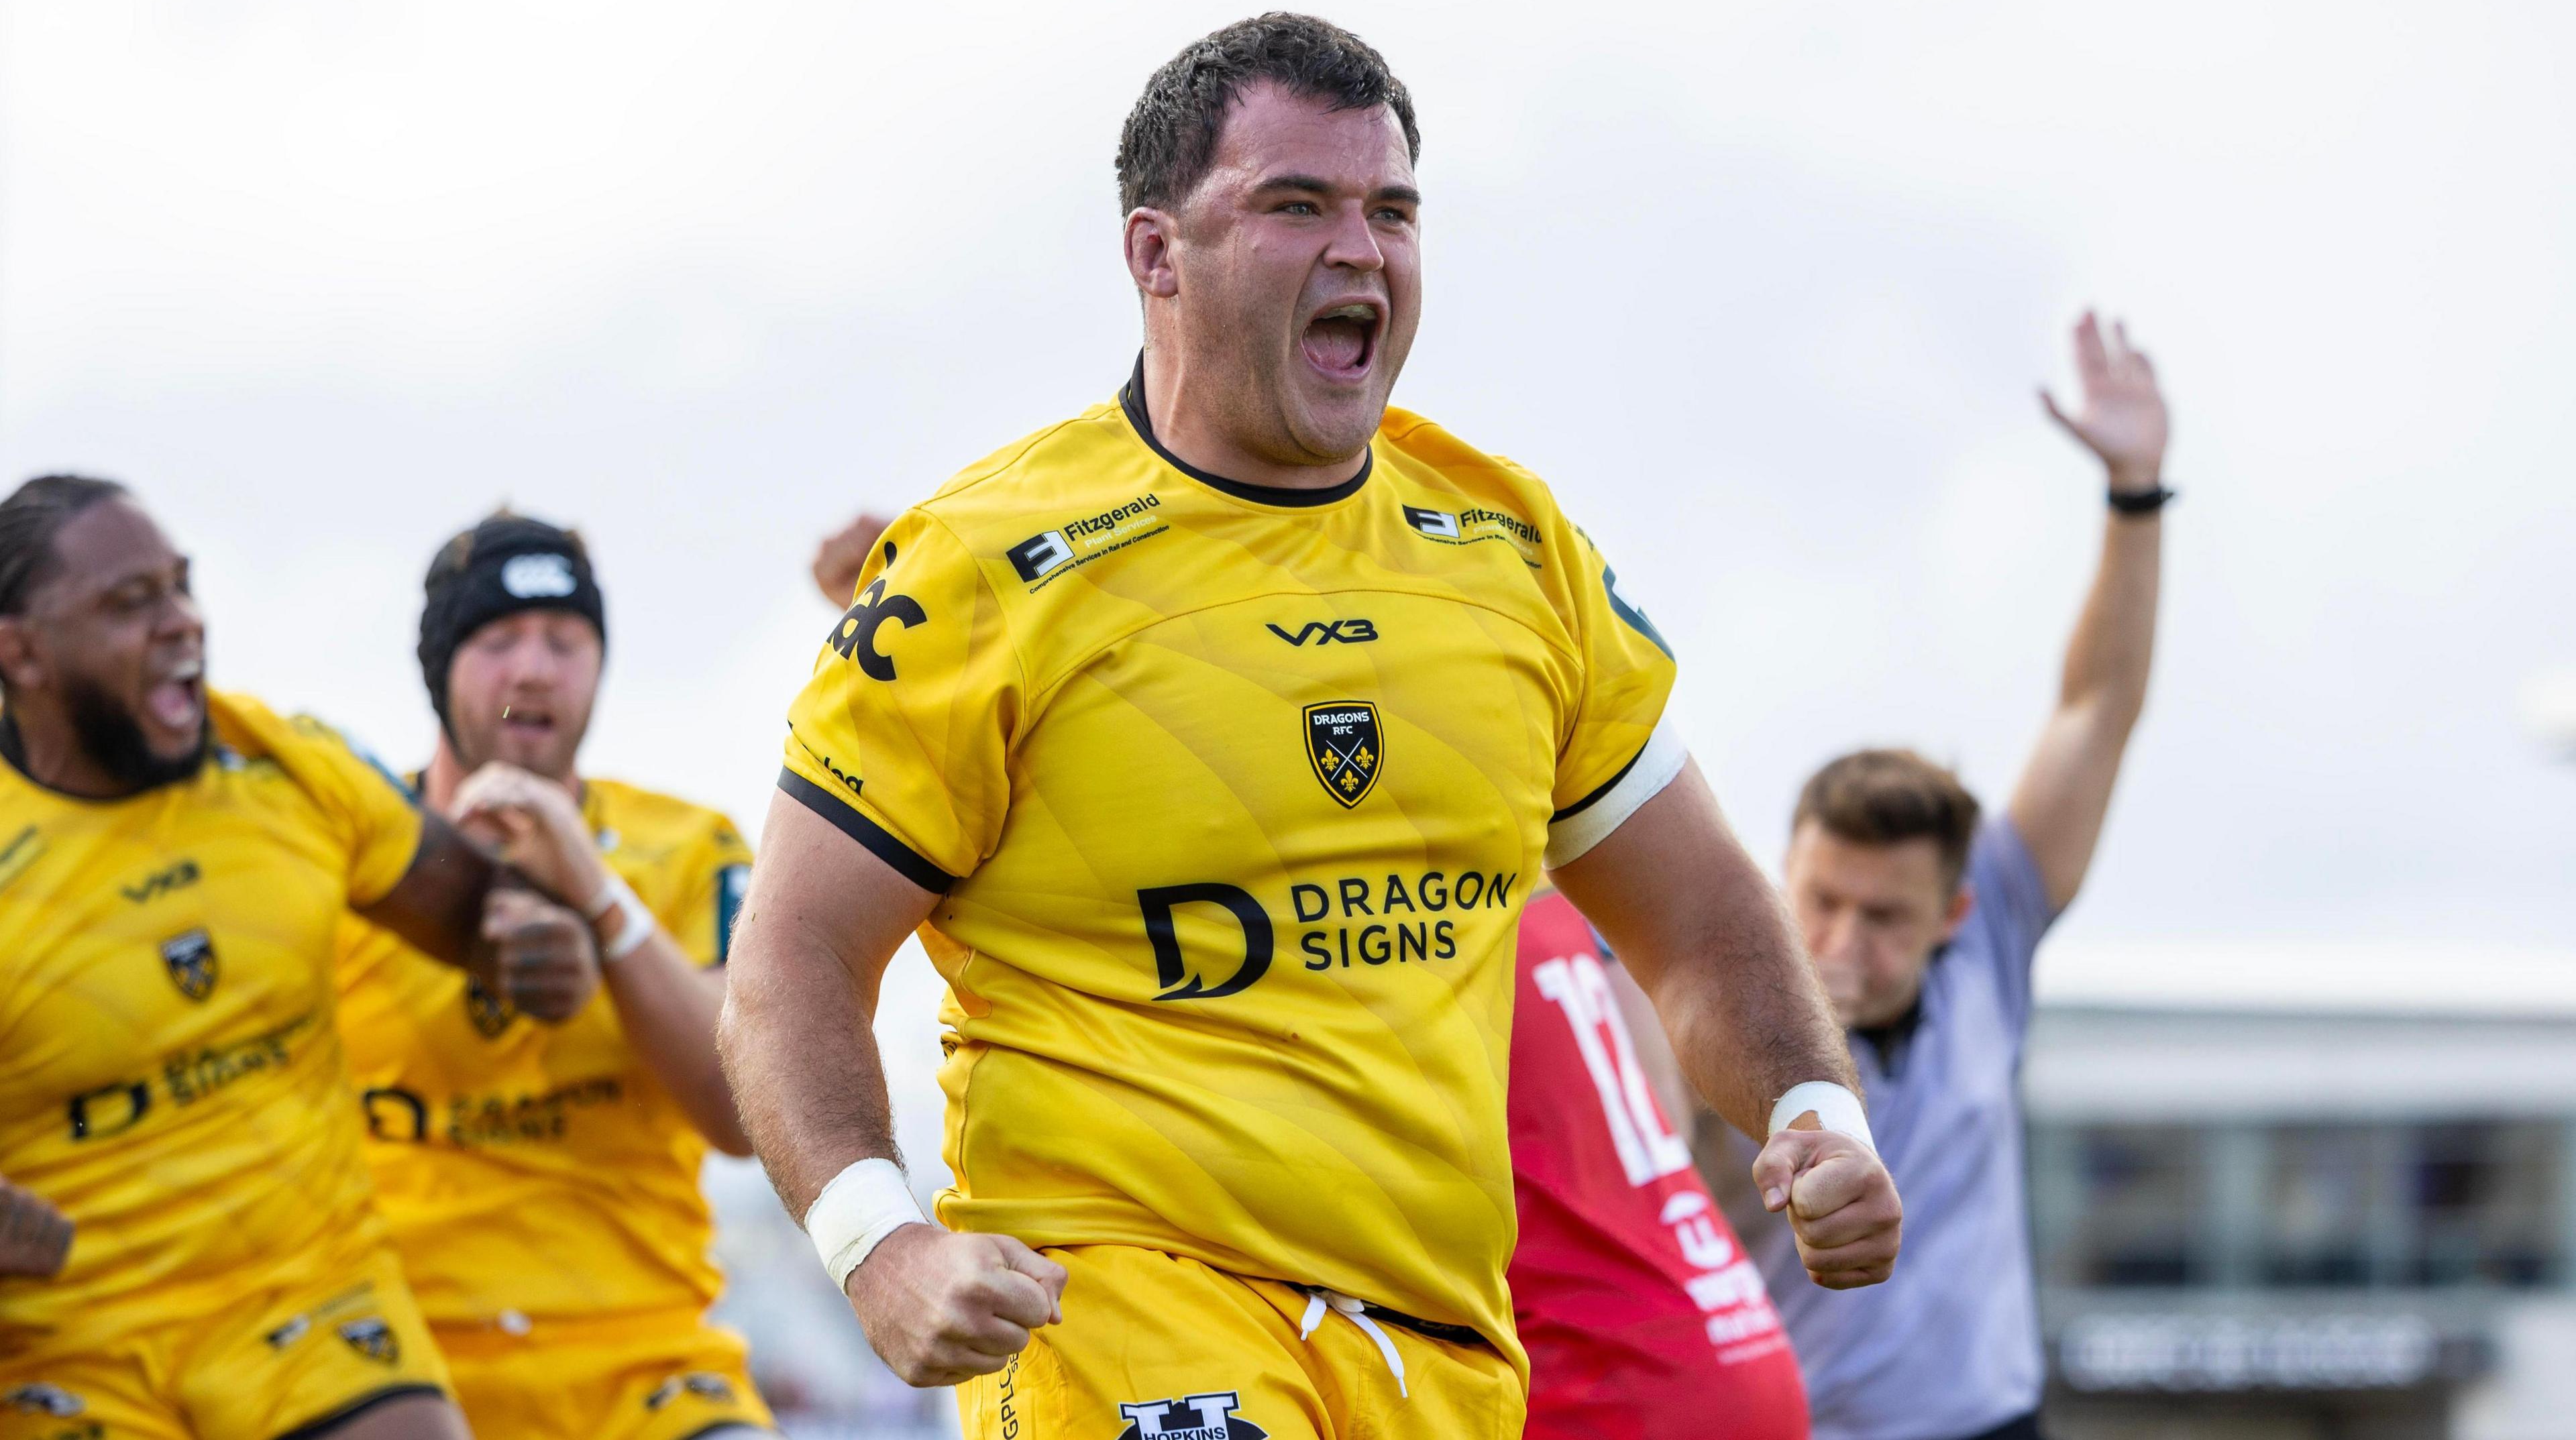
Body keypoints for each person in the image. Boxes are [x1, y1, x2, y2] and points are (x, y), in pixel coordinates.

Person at [726, 14, 1900, 1440]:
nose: (1364, 250)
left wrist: (1811, 1116)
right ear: (1157, 253)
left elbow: (1704, 913)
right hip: (1124, 1313)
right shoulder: (983, 562)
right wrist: (876, 1235)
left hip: (1442, 1348)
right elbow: (790, 947)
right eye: (1298, 205)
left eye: (1392, 210)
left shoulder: (1511, 543)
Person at [816, 526, 1814, 1439]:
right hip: (1724, 1333)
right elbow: (1670, 1098)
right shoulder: (1531, 897)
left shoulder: (1372, 955)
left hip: (1605, 1378)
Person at [0, 474, 600, 1440]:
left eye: (182, 585)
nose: (182, 621)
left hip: (304, 1300)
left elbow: (487, 910)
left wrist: (542, 942)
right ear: (18, 650)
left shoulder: (287, 764)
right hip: (66, 1343)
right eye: (130, 602)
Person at [1743, 313, 2169, 1440]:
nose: (1841, 938)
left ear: (1955, 911)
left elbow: (2098, 708)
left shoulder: (1996, 936)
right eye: (1820, 898)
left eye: (1885, 914)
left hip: (1991, 1421)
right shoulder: (1720, 992)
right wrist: (1787, 1052)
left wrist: (2136, 495)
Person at [333, 511, 777, 1439]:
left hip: (643, 1367)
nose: (534, 667)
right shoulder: (353, 854)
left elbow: (745, 1116)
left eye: (566, 641)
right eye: (498, 639)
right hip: (389, 1365)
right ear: (439, 667)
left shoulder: (688, 845)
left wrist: (596, 890)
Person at [1510, 886, 1809, 1439]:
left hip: (1608, 1382)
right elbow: (1668, 1111)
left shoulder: (1386, 934)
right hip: (1732, 1337)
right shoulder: (1560, 895)